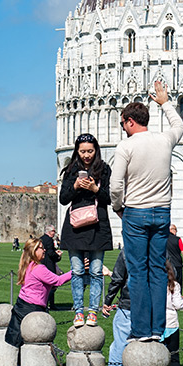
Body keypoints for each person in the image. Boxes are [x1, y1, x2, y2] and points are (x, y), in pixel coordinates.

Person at [110, 80, 183, 341]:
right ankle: (157, 329)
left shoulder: (126, 146)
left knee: (138, 271)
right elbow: (179, 126)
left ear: (130, 121)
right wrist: (165, 103)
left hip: (136, 212)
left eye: (123, 123)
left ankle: (141, 330)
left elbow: (116, 185)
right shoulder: (164, 140)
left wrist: (118, 207)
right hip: (162, 213)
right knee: (157, 269)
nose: (123, 128)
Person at [59, 133, 113, 328]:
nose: (86, 155)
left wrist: (94, 189)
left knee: (97, 271)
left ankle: (93, 312)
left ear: (96, 150)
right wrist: (75, 185)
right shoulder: (71, 170)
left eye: (90, 151)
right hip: (75, 226)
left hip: (97, 225)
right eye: (82, 151)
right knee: (77, 271)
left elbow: (109, 198)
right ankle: (78, 311)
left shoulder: (104, 169)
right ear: (77, 151)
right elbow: (63, 199)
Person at [5, 238, 72, 366]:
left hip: (22, 305)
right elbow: (58, 281)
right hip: (33, 308)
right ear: (34, 251)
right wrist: (75, 271)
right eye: (41, 248)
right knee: (39, 341)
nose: (44, 250)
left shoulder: (28, 265)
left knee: (23, 343)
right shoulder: (39, 268)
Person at [102, 251, 131, 366]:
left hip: (129, 304)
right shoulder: (158, 248)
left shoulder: (127, 251)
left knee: (119, 344)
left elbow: (117, 279)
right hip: (152, 306)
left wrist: (108, 300)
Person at [162, 261, 183, 366]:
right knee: (174, 356)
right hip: (171, 324)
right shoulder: (174, 285)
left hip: (158, 323)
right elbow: (177, 304)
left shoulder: (154, 284)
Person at [38, 226, 63, 310]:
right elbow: (50, 253)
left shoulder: (41, 239)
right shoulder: (49, 240)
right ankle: (50, 303)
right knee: (52, 285)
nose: (54, 233)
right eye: (53, 231)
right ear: (49, 231)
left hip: (42, 263)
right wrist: (58, 255)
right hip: (49, 264)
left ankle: (47, 303)